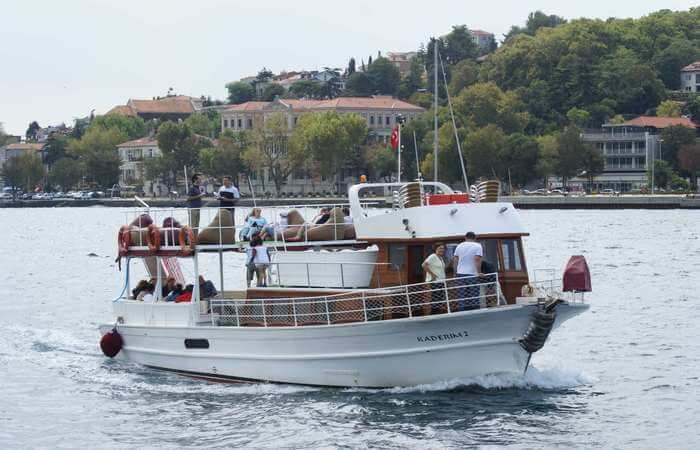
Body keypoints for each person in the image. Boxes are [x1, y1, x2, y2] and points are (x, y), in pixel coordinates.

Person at [452, 232, 483, 310]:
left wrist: (455, 273)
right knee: (474, 295)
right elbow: (477, 260)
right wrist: (479, 272)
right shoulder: (478, 246)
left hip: (460, 273)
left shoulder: (459, 246)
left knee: (461, 295)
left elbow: (455, 260)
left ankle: (462, 312)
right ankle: (475, 312)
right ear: (475, 238)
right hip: (472, 274)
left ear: (465, 237)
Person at [422, 243, 447, 314]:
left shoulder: (441, 258)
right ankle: (434, 314)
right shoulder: (433, 256)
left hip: (441, 281)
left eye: (443, 248)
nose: (441, 250)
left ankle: (437, 313)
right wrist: (432, 275)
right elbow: (424, 265)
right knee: (436, 298)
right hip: (435, 281)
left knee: (440, 298)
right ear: (435, 249)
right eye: (440, 248)